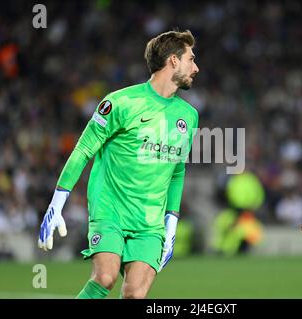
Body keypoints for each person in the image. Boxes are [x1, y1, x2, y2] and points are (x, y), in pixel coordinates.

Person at [37, 30, 199, 299]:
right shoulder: (120, 102)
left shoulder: (188, 116)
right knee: (105, 277)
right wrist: (57, 202)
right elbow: (83, 150)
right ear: (173, 60)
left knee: (135, 294)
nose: (196, 67)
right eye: (191, 59)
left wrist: (171, 225)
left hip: (149, 223)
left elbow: (177, 171)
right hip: (110, 209)